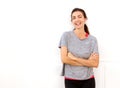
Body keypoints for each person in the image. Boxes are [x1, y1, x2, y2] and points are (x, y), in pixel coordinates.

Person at [58, 8, 99, 88]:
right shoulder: (66, 36)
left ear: (85, 19)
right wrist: (87, 62)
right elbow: (64, 59)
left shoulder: (92, 40)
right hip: (70, 80)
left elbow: (95, 63)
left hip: (88, 80)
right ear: (71, 21)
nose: (77, 20)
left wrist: (73, 58)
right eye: (74, 18)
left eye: (79, 16)